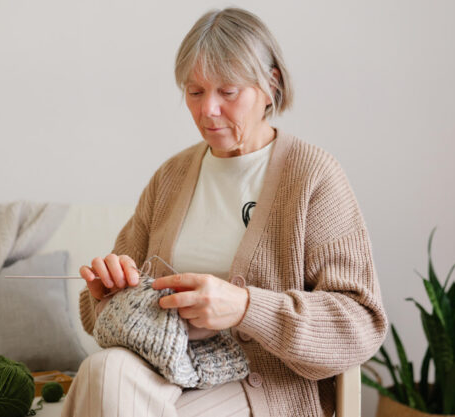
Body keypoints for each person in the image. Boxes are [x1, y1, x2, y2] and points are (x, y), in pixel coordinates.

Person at [62, 7, 388, 417]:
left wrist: (247, 307)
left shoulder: (313, 177)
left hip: (260, 389)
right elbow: (103, 319)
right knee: (103, 369)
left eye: (227, 92)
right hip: (165, 374)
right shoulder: (171, 177)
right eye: (195, 92)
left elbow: (359, 323)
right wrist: (108, 299)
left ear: (271, 85)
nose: (207, 110)